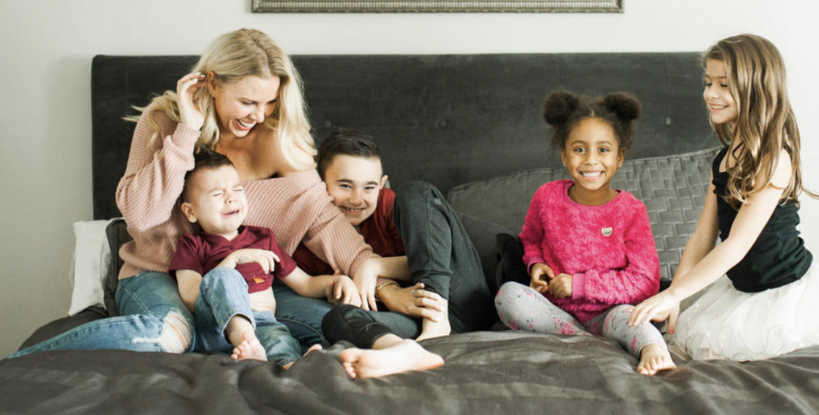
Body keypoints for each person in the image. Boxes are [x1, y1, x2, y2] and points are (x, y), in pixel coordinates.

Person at [9, 28, 384, 359]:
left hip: (237, 285)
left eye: (269, 101)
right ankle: (20, 362)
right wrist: (187, 131)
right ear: (211, 83)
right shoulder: (162, 122)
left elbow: (321, 218)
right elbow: (141, 216)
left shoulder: (276, 138)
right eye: (248, 102)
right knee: (170, 338)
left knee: (338, 329)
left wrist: (370, 272)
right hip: (157, 277)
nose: (259, 113)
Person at [628, 34, 819, 361]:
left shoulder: (773, 160)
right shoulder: (723, 159)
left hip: (783, 292)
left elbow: (736, 245)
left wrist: (676, 292)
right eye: (708, 82)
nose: (710, 93)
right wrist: (674, 298)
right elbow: (703, 237)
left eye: (724, 85)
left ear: (755, 89)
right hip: (741, 289)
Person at [494, 91, 676, 376]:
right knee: (508, 296)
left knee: (633, 318)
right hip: (556, 312)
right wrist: (536, 265)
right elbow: (530, 240)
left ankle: (652, 348)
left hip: (611, 313)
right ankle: (583, 340)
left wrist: (580, 286)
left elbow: (645, 282)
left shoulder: (630, 211)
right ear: (565, 156)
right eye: (580, 150)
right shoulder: (547, 197)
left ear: (620, 157)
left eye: (603, 150)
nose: (591, 160)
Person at [292, 129, 495, 341]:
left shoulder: (389, 207)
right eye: (345, 185)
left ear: (381, 184)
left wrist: (373, 266)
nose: (356, 199)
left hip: (462, 296)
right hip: (411, 317)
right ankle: (429, 340)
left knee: (416, 193)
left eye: (369, 187)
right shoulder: (312, 232)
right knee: (338, 319)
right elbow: (316, 284)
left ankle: (436, 323)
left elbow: (434, 258)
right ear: (319, 184)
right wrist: (366, 290)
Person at [169, 148, 359, 366]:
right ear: (190, 212)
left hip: (264, 322)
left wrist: (334, 282)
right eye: (217, 194)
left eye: (237, 189)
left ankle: (290, 367)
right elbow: (192, 297)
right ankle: (246, 339)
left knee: (280, 342)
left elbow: (304, 283)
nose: (231, 199)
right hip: (216, 327)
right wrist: (233, 260)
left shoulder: (262, 238)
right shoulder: (192, 245)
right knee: (225, 277)